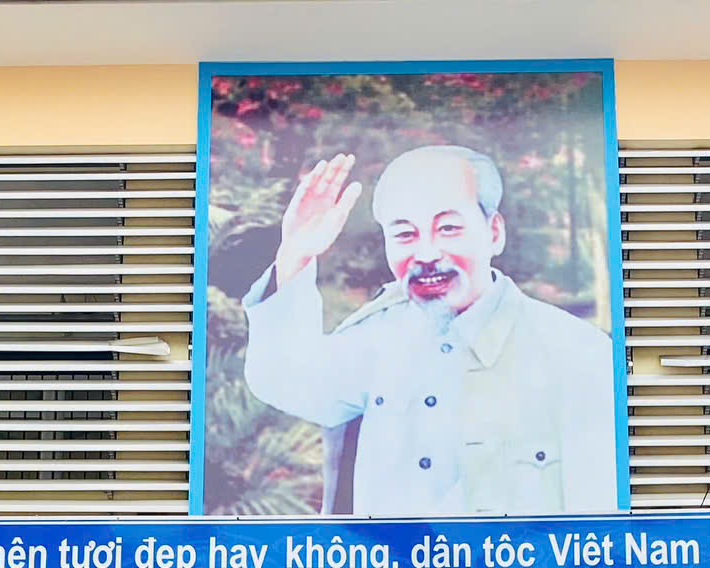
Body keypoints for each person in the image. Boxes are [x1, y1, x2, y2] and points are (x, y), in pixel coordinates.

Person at [240, 143, 619, 516]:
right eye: (405, 235)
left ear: (494, 233)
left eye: (448, 228)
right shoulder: (378, 337)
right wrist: (296, 254)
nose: (425, 254)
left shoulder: (579, 355)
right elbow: (287, 381)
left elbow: (601, 524)